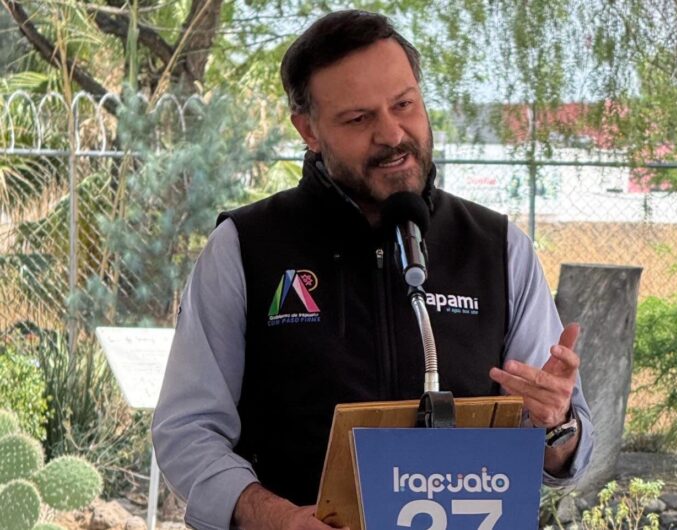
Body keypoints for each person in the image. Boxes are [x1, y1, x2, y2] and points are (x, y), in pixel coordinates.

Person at [152, 9, 594, 530]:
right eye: (359, 119)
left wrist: (555, 423)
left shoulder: (498, 248)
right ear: (309, 130)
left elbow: (563, 448)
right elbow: (188, 430)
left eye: (404, 104)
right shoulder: (245, 248)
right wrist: (272, 517)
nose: (391, 133)